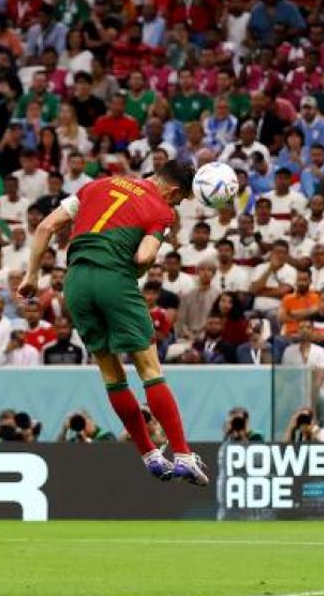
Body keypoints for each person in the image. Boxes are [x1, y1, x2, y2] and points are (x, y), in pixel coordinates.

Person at [19, 160, 208, 485]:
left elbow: (45, 227)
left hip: (74, 283)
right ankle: (183, 456)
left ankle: (149, 454)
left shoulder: (99, 185)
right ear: (174, 191)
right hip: (114, 281)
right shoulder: (161, 210)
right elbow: (144, 257)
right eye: (178, 201)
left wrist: (32, 275)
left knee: (111, 374)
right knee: (149, 369)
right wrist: (148, 252)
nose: (175, 207)